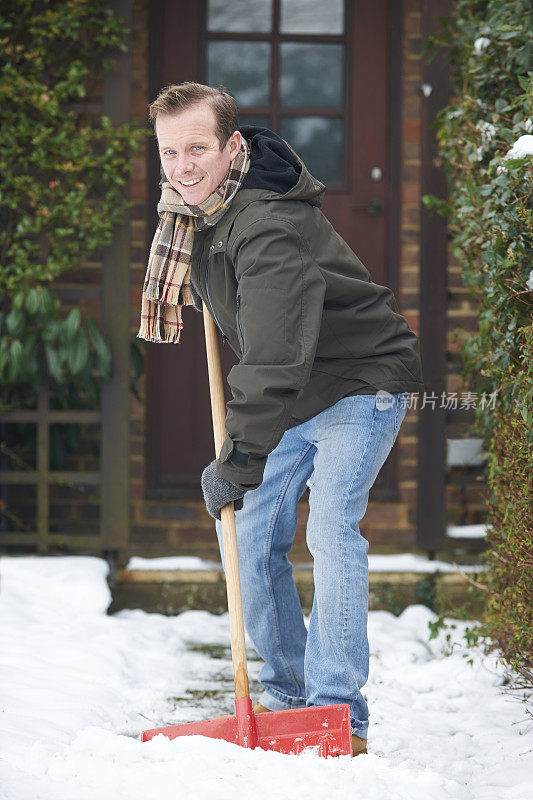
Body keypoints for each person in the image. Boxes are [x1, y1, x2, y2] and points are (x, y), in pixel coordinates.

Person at [138, 82, 425, 757]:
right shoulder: (199, 215)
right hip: (298, 392)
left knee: (330, 524)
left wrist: (237, 458)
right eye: (170, 151)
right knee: (253, 533)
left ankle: (337, 712)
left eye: (198, 149)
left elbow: (271, 358)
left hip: (361, 380)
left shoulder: (265, 224)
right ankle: (290, 693)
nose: (183, 166)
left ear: (232, 146)